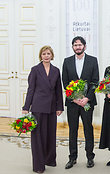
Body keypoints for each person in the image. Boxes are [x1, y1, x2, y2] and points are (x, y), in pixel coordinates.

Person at [22, 45, 64, 173]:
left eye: (48, 54)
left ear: (52, 55)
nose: (46, 56)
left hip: (52, 107)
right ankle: (39, 165)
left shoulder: (56, 70)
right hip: (38, 107)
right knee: (38, 136)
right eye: (44, 54)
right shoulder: (35, 70)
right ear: (41, 56)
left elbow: (58, 91)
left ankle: (50, 159)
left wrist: (59, 107)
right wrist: (26, 107)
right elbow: (31, 89)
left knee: (51, 134)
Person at [62, 36, 99, 169]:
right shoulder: (66, 62)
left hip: (87, 102)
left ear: (84, 46)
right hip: (73, 103)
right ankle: (72, 158)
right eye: (75, 45)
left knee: (88, 129)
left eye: (80, 44)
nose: (78, 47)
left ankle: (90, 157)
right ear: (72, 47)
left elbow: (95, 82)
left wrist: (86, 98)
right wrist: (74, 98)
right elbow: (65, 82)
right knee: (73, 130)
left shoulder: (93, 61)